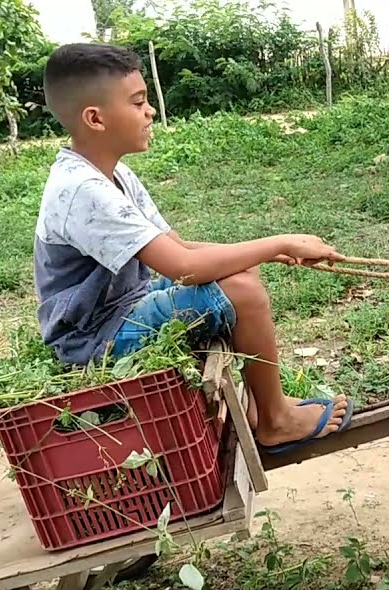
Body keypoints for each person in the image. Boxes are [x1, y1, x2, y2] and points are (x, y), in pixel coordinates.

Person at [33, 42, 352, 454]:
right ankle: (275, 421)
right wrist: (279, 241)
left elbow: (176, 246)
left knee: (241, 275)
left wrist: (267, 252)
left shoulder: (112, 174)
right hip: (95, 340)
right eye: (139, 102)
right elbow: (183, 268)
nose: (149, 112)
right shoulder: (83, 191)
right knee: (242, 291)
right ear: (95, 118)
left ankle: (263, 409)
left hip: (122, 309)